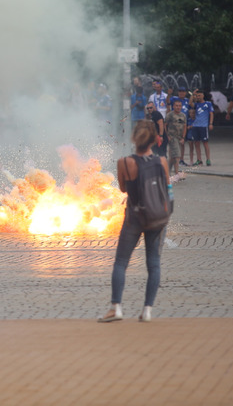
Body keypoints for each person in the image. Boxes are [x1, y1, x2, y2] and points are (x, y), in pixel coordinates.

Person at [98, 120, 170, 324]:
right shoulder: (162, 161)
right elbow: (168, 188)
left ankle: (116, 308)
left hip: (134, 218)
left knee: (121, 262)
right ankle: (147, 310)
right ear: (155, 139)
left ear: (134, 139)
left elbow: (123, 189)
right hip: (157, 218)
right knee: (154, 264)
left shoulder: (124, 162)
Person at [188, 90, 213, 166]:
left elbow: (211, 113)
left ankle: (208, 159)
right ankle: (199, 160)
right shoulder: (196, 105)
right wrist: (193, 94)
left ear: (203, 95)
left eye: (199, 95)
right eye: (197, 96)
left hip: (204, 126)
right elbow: (190, 103)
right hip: (196, 125)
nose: (198, 97)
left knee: (205, 143)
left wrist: (211, 123)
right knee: (196, 143)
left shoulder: (208, 104)